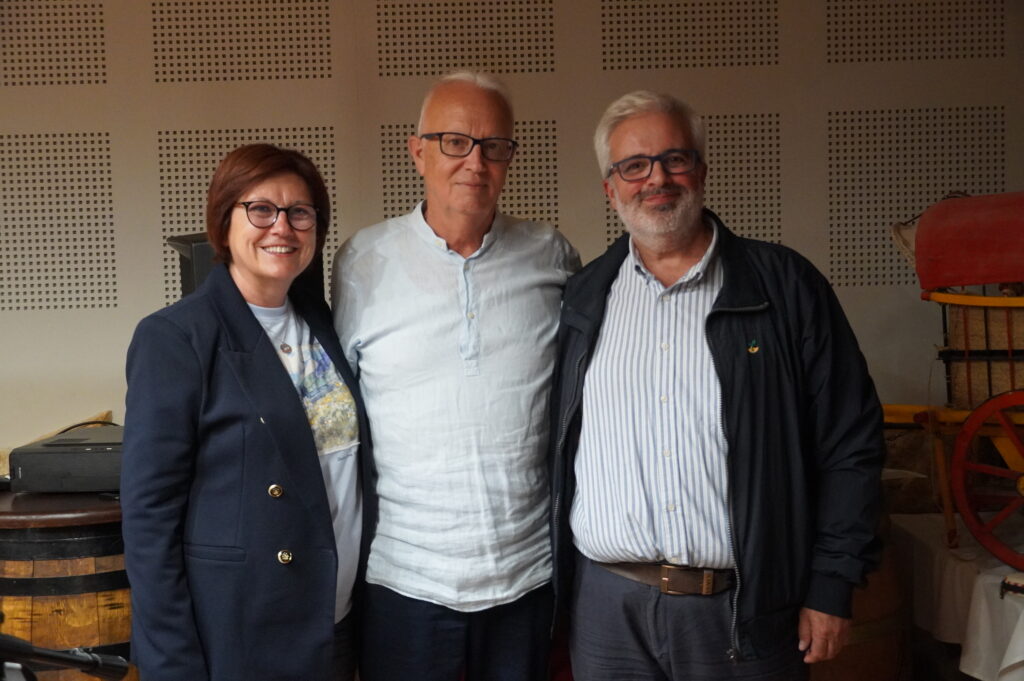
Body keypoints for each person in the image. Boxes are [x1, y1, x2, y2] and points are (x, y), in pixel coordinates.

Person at [550, 91, 885, 680]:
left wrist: (832, 583)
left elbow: (850, 444)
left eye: (674, 159)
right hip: (606, 611)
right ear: (610, 188)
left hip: (742, 610)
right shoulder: (583, 298)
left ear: (701, 171)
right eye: (635, 166)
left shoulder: (785, 287)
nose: (657, 179)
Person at [331, 71, 579, 681]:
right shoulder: (362, 261)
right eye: (455, 142)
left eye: (494, 145)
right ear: (417, 152)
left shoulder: (552, 256)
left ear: (510, 157)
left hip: (525, 579)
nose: (475, 161)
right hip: (405, 581)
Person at [121, 143, 371, 681]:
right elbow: (149, 518)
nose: (282, 227)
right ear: (223, 221)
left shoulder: (320, 320)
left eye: (299, 212)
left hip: (336, 619)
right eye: (261, 209)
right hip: (243, 630)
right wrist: (171, 664)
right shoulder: (176, 337)